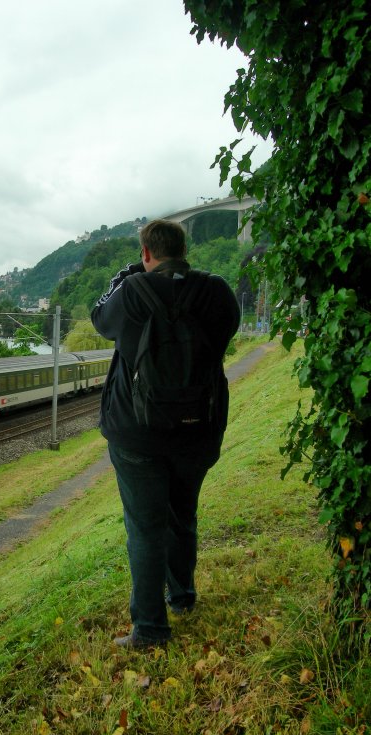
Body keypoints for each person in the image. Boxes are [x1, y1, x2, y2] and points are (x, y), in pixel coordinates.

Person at [91, 219, 240, 649]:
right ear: (184, 249)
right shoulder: (216, 292)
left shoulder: (132, 293)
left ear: (146, 253)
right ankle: (183, 597)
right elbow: (226, 332)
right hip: (198, 430)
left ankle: (151, 629)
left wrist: (127, 275)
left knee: (145, 528)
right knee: (182, 516)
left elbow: (100, 317)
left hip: (136, 434)